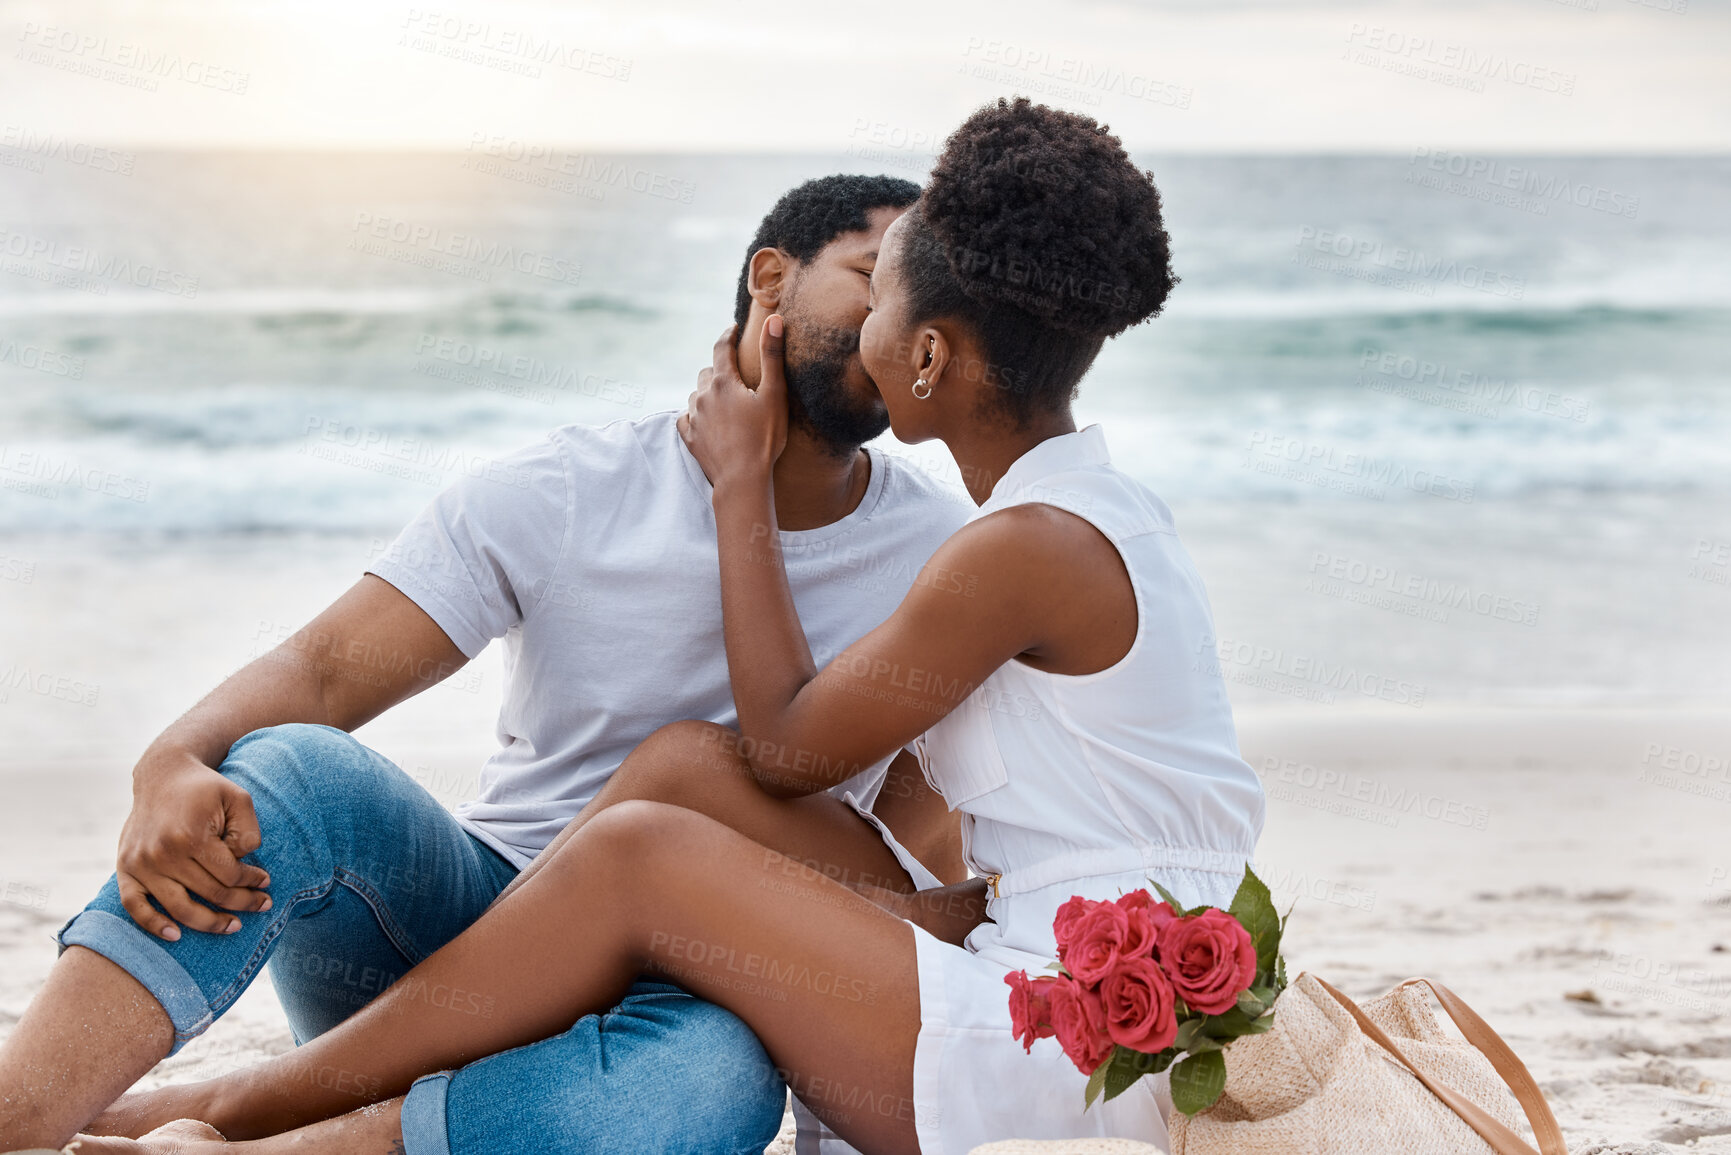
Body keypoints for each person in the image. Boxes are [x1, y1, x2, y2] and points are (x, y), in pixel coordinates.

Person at [21, 96, 1267, 1155]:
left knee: (691, 997)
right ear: (768, 286)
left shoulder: (985, 550)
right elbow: (330, 666)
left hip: (867, 1013)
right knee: (542, 770)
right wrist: (166, 754)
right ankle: (38, 1108)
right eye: (865, 275)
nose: (878, 320)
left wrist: (738, 491)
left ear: (931, 359)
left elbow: (822, 775)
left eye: (894, 297)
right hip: (470, 931)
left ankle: (250, 1117)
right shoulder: (580, 486)